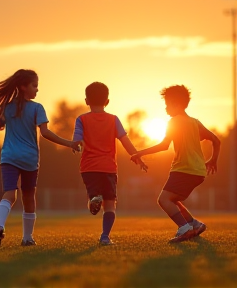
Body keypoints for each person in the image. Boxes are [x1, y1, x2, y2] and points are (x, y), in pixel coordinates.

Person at [0, 69, 81, 246]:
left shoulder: (6, 106)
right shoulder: (37, 108)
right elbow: (44, 133)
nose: (37, 89)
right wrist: (69, 143)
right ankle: (27, 238)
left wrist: (1, 116)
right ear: (23, 87)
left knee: (9, 194)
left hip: (9, 157)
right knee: (28, 197)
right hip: (29, 158)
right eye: (34, 85)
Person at [131, 85, 221, 243]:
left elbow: (163, 146)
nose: (166, 108)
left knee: (163, 200)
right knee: (172, 199)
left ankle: (184, 229)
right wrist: (213, 160)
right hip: (198, 172)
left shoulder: (173, 122)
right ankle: (195, 224)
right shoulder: (195, 123)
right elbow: (216, 140)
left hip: (183, 170)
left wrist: (140, 152)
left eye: (168, 104)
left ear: (178, 104)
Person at [73, 82, 147, 246]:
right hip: (108, 168)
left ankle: (93, 198)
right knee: (110, 204)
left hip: (89, 168)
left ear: (86, 101)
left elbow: (77, 140)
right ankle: (105, 236)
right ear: (107, 101)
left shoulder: (82, 119)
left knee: (95, 195)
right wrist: (137, 156)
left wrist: (75, 145)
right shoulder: (113, 120)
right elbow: (125, 140)